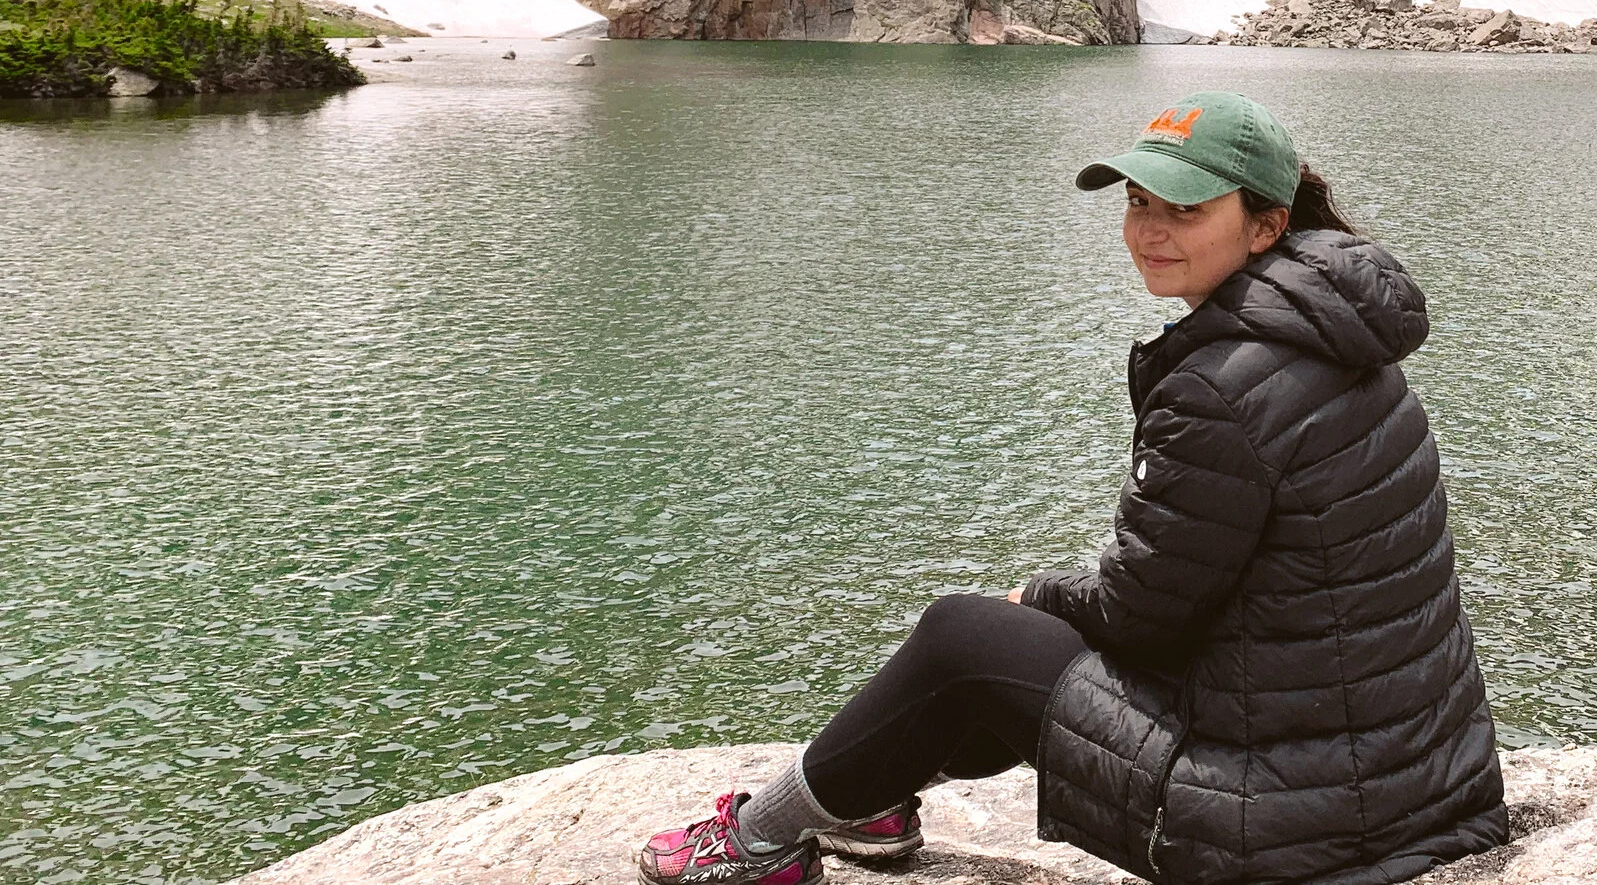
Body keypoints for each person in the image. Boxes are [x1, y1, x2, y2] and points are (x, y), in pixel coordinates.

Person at [637, 91, 1507, 885]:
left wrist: (1037, 597)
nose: (1150, 231)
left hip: (1283, 827)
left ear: (1265, 225)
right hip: (1421, 784)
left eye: (1186, 209)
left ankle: (757, 842)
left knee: (963, 636)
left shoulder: (1221, 387)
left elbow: (1142, 614)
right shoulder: (1340, 333)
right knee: (1008, 639)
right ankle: (869, 795)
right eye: (1139, 202)